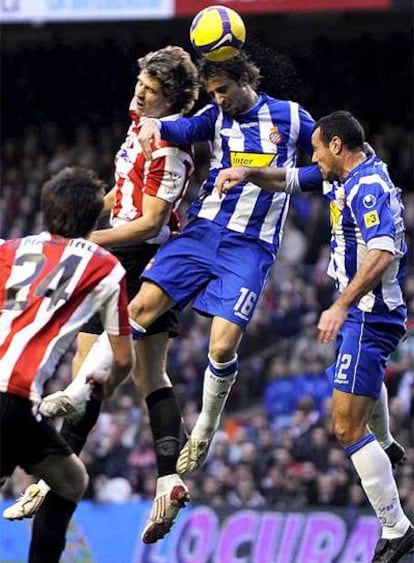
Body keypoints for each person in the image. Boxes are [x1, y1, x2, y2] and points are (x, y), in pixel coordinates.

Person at [3, 45, 199, 544]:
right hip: (126, 249)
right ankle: (167, 478)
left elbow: (151, 221)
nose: (140, 93)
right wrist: (92, 215)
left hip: (140, 259)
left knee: (91, 374)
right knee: (149, 375)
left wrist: (89, 241)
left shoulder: (173, 148)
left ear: (172, 98)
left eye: (152, 91)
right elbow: (123, 189)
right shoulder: (140, 120)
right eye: (140, 85)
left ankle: (53, 478)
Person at [215, 110, 414, 562]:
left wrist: (341, 304)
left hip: (368, 313)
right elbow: (289, 178)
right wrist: (246, 171)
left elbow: (383, 251)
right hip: (363, 313)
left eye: (318, 149)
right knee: (362, 394)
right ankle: (385, 444)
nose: (314, 157)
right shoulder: (347, 174)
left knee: (345, 426)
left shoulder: (366, 188)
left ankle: (395, 526)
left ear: (338, 147)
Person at [126, 49, 316, 478]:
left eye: (224, 91)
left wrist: (280, 179)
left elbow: (323, 166)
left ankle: (206, 428)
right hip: (204, 230)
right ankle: (82, 392)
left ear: (247, 79)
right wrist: (156, 125)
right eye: (212, 93)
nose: (218, 100)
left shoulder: (290, 117)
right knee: (136, 310)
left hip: (251, 245)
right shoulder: (214, 116)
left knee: (222, 346)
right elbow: (184, 127)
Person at [0, 166, 134, 563]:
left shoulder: (10, 249)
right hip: (13, 395)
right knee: (70, 484)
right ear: (95, 220)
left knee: (70, 479)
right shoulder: (105, 265)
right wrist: (108, 384)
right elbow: (122, 357)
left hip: (17, 402)